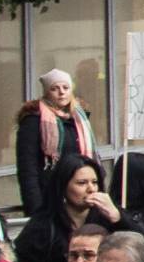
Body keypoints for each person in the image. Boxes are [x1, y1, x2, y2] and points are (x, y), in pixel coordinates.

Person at [15, 151, 121, 262]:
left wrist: (118, 218)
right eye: (81, 183)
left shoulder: (107, 217)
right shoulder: (42, 226)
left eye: (94, 182)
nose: (90, 189)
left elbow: (143, 249)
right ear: (64, 186)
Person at [14, 68, 98, 216]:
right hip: (50, 198)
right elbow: (28, 168)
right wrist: (36, 209)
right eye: (55, 88)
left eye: (65, 88)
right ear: (46, 92)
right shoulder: (33, 121)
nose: (61, 92)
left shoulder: (79, 119)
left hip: (80, 199)